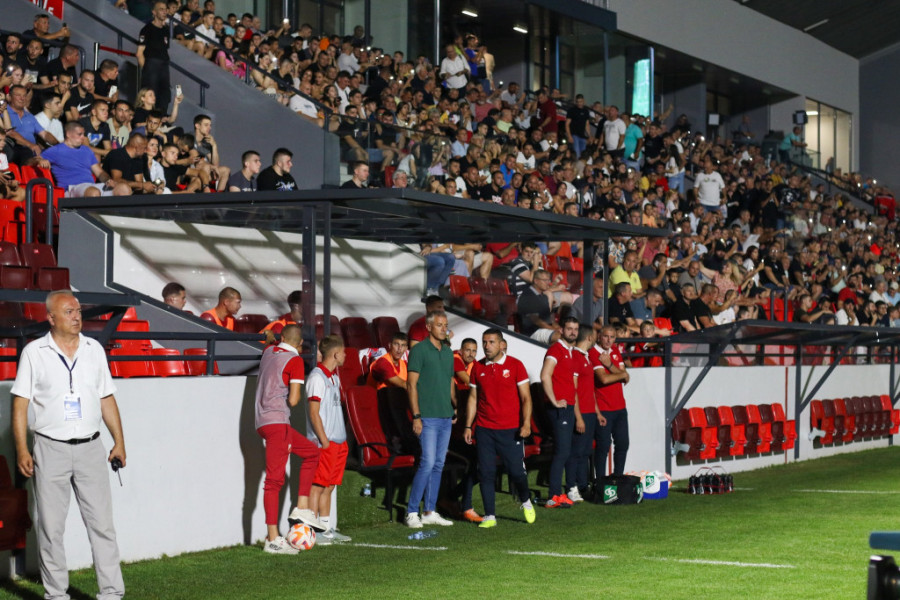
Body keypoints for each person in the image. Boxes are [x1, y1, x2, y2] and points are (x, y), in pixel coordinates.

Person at [12, 290, 126, 599]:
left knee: (102, 526)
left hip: (91, 447)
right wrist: (22, 449)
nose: (77, 317)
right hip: (50, 449)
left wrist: (119, 441)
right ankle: (57, 595)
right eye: (69, 312)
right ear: (50, 318)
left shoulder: (94, 349)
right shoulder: (34, 353)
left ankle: (111, 593)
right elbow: (20, 403)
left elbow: (106, 397)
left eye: (78, 311)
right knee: (51, 529)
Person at [256, 324, 325, 554]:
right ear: (300, 344)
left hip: (263, 422)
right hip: (278, 422)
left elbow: (270, 342)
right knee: (274, 481)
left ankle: (302, 506)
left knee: (311, 452)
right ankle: (272, 539)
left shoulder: (269, 351)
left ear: (282, 338)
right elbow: (294, 400)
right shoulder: (295, 361)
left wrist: (270, 338)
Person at [463, 328, 536, 528]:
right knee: (486, 472)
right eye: (484, 342)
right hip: (484, 429)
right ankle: (490, 516)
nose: (487, 346)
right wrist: (468, 425)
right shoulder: (478, 367)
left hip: (511, 430)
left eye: (491, 342)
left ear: (502, 344)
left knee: (516, 472)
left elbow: (526, 398)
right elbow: (473, 398)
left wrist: (526, 423)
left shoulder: (516, 365)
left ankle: (526, 500)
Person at [405, 310, 456, 528]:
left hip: (445, 417)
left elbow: (449, 382)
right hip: (426, 417)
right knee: (427, 463)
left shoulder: (448, 352)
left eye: (445, 325)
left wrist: (454, 407)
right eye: (439, 325)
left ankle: (429, 510)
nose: (444, 329)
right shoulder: (419, 351)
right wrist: (416, 416)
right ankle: (411, 512)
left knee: (438, 464)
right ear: (428, 327)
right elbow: (411, 385)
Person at [306, 334, 351, 545]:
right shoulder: (317, 378)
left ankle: (326, 528)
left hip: (338, 442)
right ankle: (314, 531)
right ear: (335, 354)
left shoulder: (334, 377)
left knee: (330, 486)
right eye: (343, 352)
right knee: (317, 485)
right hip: (325, 442)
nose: (345, 356)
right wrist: (323, 440)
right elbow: (313, 412)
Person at [540, 316, 581, 508]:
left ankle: (557, 494)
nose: (573, 332)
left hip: (568, 407)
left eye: (575, 329)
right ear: (561, 330)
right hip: (559, 409)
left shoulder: (570, 352)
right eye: (569, 328)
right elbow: (545, 375)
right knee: (562, 451)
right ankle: (553, 496)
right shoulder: (556, 349)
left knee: (565, 451)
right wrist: (554, 401)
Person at [42, 121, 131, 197]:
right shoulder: (56, 150)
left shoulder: (87, 150)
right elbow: (35, 159)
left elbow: (99, 172)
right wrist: (40, 160)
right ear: (68, 134)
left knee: (124, 189)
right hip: (71, 188)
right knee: (93, 192)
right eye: (79, 134)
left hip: (90, 186)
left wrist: (108, 180)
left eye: (83, 134)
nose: (83, 137)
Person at [570, 324, 606, 500]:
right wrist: (578, 417)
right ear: (589, 337)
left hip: (590, 412)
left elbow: (589, 389)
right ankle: (574, 486)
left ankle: (583, 486)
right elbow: (573, 390)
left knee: (585, 452)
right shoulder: (575, 358)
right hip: (582, 413)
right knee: (577, 452)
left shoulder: (586, 357)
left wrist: (597, 412)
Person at [590, 325, 630, 478]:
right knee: (603, 446)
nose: (608, 340)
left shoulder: (614, 352)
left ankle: (618, 478)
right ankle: (600, 480)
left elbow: (626, 377)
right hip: (603, 408)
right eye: (606, 336)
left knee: (623, 443)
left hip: (620, 407)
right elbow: (604, 379)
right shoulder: (594, 353)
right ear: (599, 336)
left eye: (612, 337)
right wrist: (620, 374)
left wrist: (609, 365)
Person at [137, 2, 172, 116]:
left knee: (165, 94)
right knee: (151, 95)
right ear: (154, 12)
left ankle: (162, 118)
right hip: (151, 65)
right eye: (161, 9)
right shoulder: (147, 29)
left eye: (165, 9)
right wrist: (146, 69)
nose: (164, 11)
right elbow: (139, 53)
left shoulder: (166, 29)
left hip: (164, 65)